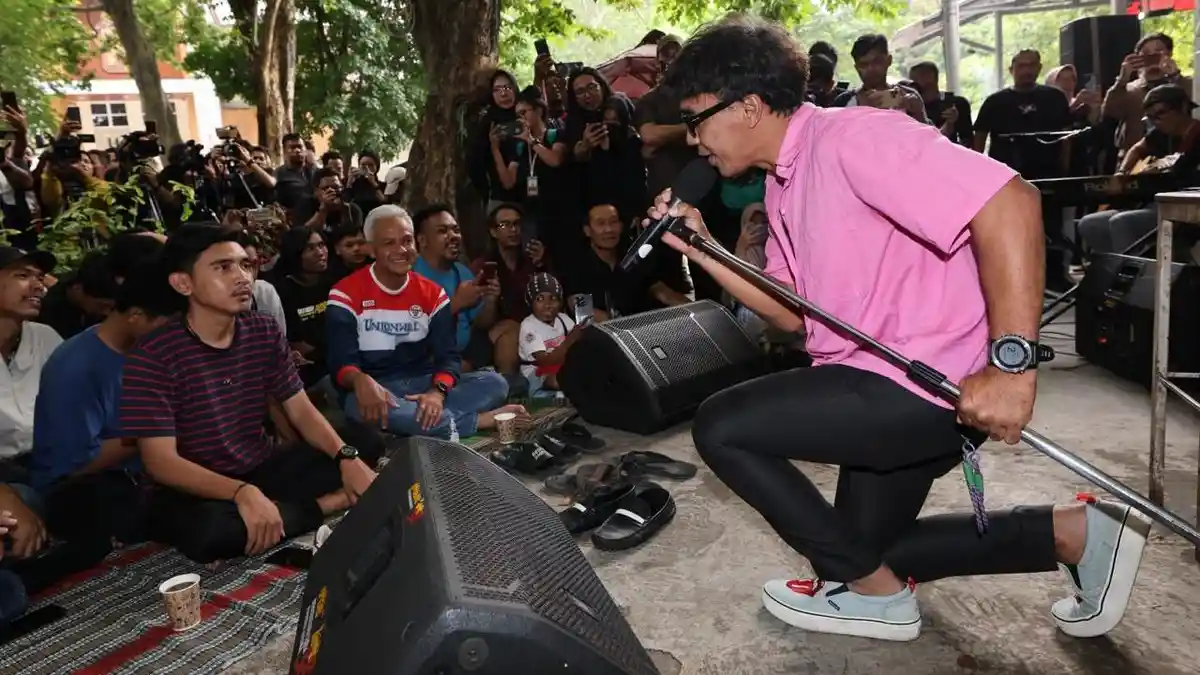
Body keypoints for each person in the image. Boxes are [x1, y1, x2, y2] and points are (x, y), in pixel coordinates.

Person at [655, 16, 1151, 643]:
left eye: (697, 117)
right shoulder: (784, 184)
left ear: (749, 106)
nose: (693, 139)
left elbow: (1010, 201)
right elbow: (790, 314)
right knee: (861, 550)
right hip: (873, 382)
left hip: (922, 388)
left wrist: (1010, 366)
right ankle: (1075, 534)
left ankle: (877, 597)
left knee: (721, 427)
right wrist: (702, 248)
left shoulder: (854, 138)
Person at [118, 223, 378, 563]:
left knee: (363, 442)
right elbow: (161, 463)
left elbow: (300, 410)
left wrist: (346, 456)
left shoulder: (262, 330)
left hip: (259, 466)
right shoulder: (153, 355)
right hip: (194, 489)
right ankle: (330, 503)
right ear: (183, 283)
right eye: (223, 267)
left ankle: (279, 511)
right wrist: (240, 492)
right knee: (213, 533)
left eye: (245, 265)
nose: (242, 277)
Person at [326, 206, 523, 439]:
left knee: (495, 383)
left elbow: (448, 358)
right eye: (389, 243)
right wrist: (359, 379)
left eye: (407, 241)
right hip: (375, 389)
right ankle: (476, 421)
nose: (401, 250)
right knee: (358, 406)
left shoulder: (433, 294)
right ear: (370, 248)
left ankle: (422, 422)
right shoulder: (344, 294)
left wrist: (437, 393)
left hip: (423, 384)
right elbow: (341, 362)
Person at [31, 252, 176, 546]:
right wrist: (154, 428)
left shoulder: (149, 351)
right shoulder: (75, 366)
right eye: (167, 325)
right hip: (82, 489)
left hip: (143, 474)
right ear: (135, 316)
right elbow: (76, 465)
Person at [1077, 84, 1200, 256]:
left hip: (1185, 209)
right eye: (1150, 117)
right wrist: (1122, 173)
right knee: (1090, 224)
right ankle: (1112, 274)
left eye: (1160, 114)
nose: (1156, 121)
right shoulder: (1160, 135)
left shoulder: (1197, 135)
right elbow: (1136, 149)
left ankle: (1137, 278)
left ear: (1184, 107)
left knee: (1123, 223)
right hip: (1153, 202)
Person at [517, 273, 583, 396]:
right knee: (555, 380)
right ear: (531, 302)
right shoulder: (528, 326)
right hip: (536, 374)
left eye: (553, 298)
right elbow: (545, 362)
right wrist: (571, 339)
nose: (547, 305)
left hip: (561, 367)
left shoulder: (563, 319)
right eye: (540, 299)